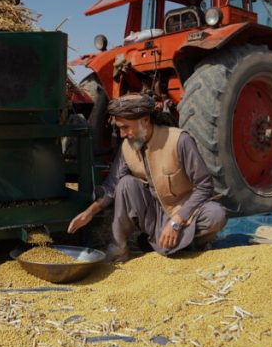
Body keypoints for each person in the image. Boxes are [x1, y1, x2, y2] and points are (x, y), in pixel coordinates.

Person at [68, 93, 227, 261]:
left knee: (216, 215)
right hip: (154, 215)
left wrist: (176, 222)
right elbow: (111, 187)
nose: (122, 134)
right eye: (120, 128)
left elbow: (204, 186)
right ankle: (119, 247)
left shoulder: (180, 140)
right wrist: (89, 212)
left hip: (184, 211)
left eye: (126, 127)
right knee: (125, 183)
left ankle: (189, 244)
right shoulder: (127, 148)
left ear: (145, 120)